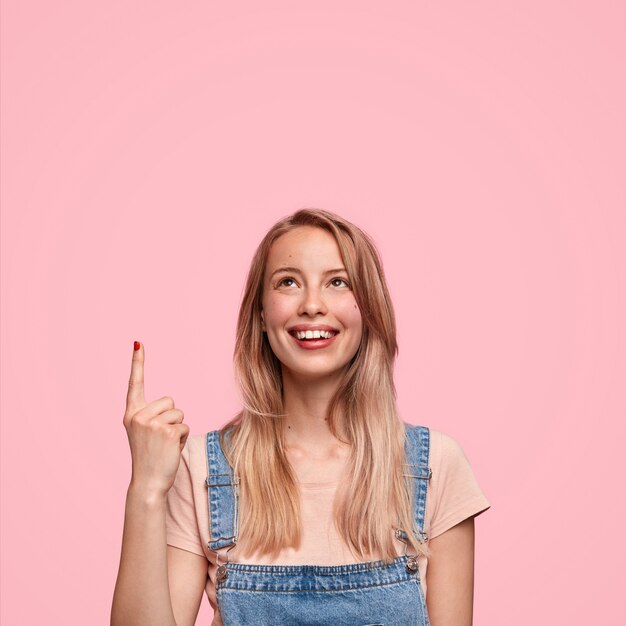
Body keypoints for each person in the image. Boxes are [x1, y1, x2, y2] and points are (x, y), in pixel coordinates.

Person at [111, 208, 491, 626]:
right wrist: (145, 489)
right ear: (260, 314)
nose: (312, 305)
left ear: (369, 310)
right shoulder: (201, 469)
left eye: (338, 282)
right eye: (288, 282)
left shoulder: (434, 467)